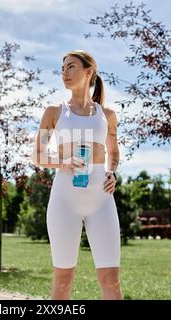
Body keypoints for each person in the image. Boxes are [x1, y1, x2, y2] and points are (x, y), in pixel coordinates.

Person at [32, 50, 122, 300]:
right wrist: (63, 162)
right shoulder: (54, 112)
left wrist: (111, 172)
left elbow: (113, 153)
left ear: (88, 71)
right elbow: (38, 154)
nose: (65, 72)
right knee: (63, 281)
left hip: (101, 199)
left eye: (71, 67)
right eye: (62, 68)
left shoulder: (108, 116)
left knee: (111, 281)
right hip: (65, 199)